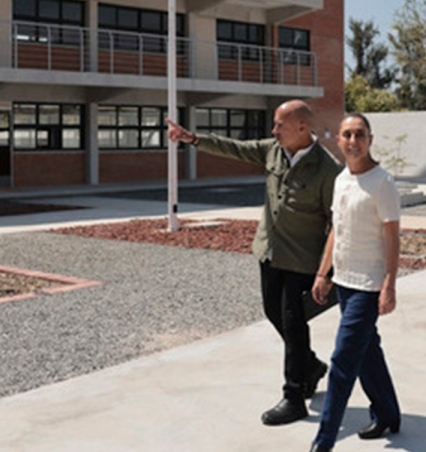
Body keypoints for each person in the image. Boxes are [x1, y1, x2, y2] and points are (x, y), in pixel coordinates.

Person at [165, 100, 342, 425]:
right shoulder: (272, 150)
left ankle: (294, 397)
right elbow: (235, 148)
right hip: (269, 252)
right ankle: (312, 366)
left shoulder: (328, 170)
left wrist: (325, 272)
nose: (273, 131)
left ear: (302, 128)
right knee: (273, 311)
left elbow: (337, 225)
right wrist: (193, 139)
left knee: (293, 321)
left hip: (301, 260)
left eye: (279, 125)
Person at [308, 113, 402, 452]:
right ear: (338, 141)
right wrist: (323, 273)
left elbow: (393, 237)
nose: (353, 141)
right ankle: (389, 413)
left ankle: (324, 441)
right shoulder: (341, 179)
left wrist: (389, 283)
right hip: (344, 280)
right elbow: (337, 228)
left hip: (369, 282)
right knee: (367, 352)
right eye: (347, 134)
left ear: (370, 140)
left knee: (343, 361)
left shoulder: (382, 182)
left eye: (359, 134)